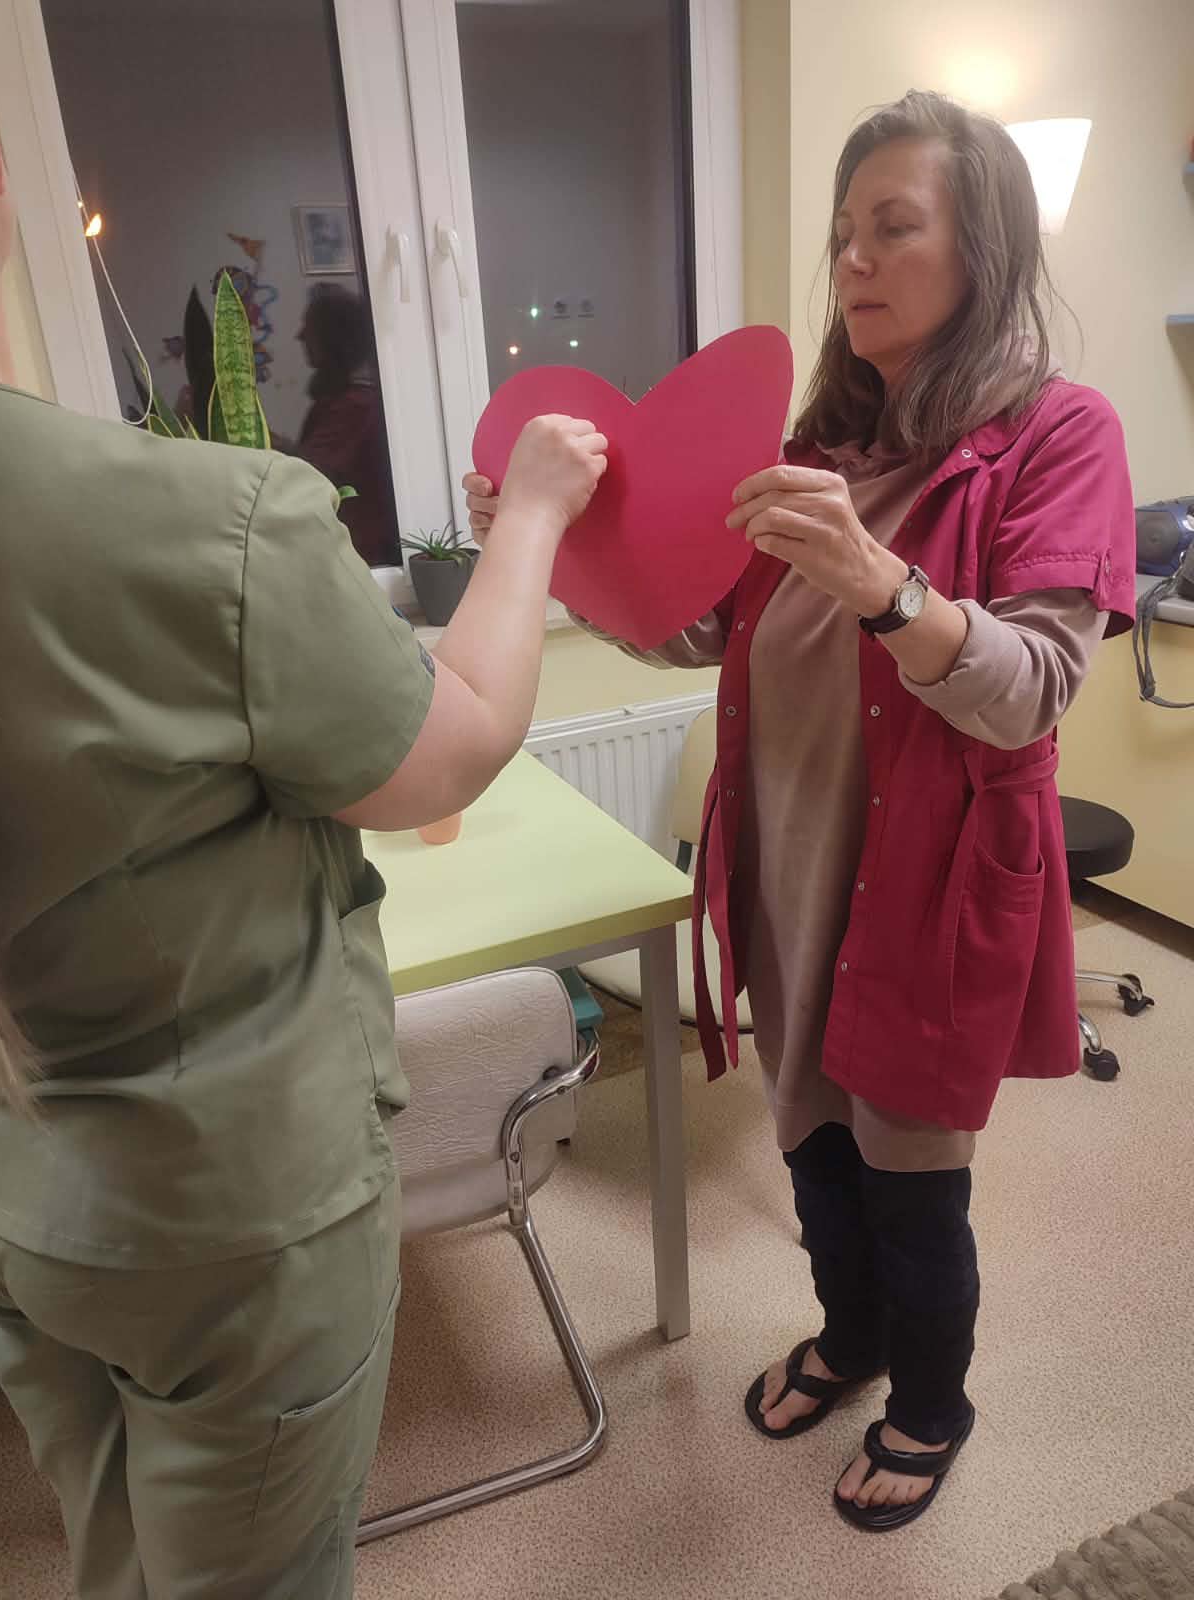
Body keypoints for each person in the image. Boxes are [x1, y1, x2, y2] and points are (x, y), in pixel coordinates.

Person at [466, 90, 1137, 1531]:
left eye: (893, 226)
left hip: (928, 886)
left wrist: (883, 584)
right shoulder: (820, 450)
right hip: (787, 873)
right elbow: (702, 632)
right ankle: (852, 1335)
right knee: (812, 1139)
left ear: (984, 247)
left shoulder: (1060, 436)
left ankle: (932, 1404)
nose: (853, 260)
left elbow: (1031, 690)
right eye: (843, 233)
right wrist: (546, 546)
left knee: (912, 1174)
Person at [0, 135, 606, 1599]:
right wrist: (532, 512)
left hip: (29, 1189)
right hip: (229, 1214)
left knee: (117, 1556)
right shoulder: (204, 517)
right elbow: (451, 747)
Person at [290, 283, 401, 567]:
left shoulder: (355, 405)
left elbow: (309, 474)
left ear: (332, 338)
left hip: (362, 556)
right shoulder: (341, 399)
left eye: (308, 328)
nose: (299, 335)